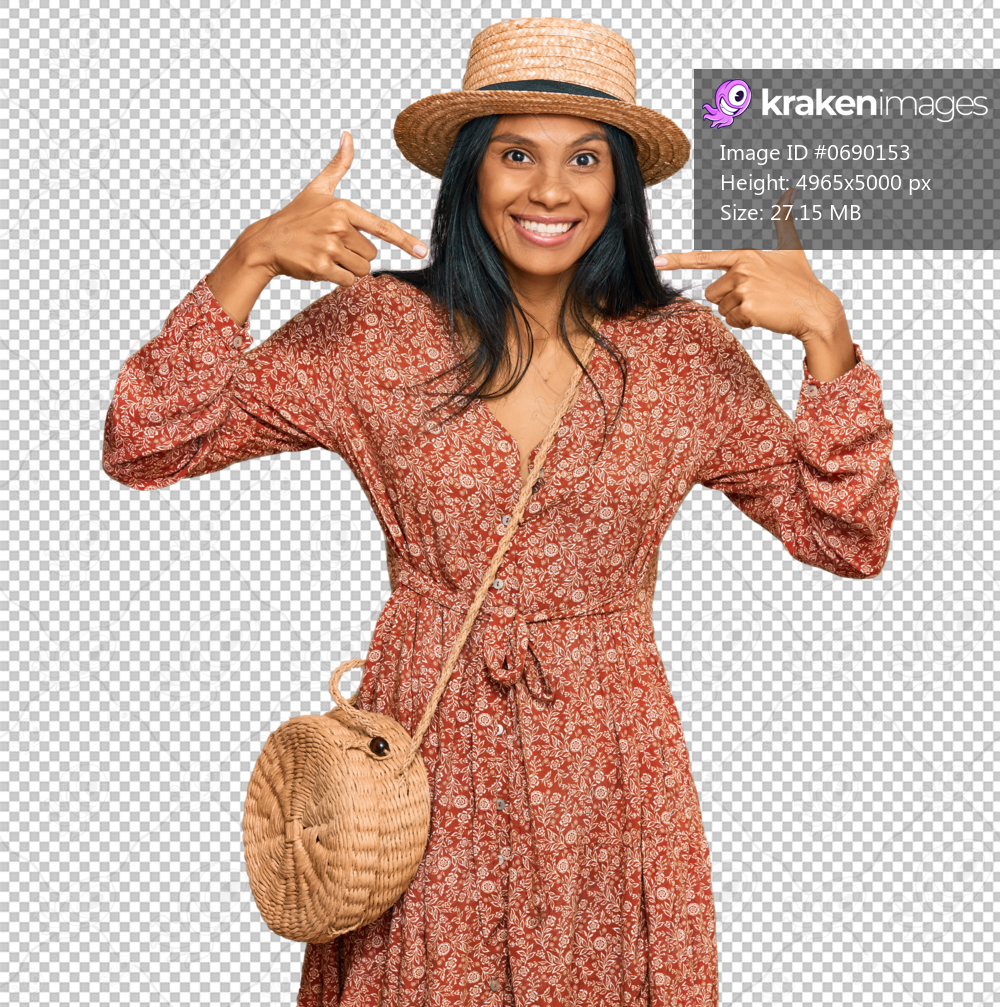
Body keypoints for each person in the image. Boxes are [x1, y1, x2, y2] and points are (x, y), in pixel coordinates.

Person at [102, 17, 899, 1007]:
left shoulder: (680, 355)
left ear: (619, 189)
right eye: (516, 153)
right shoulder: (376, 333)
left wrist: (827, 334)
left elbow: (844, 534)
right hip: (423, 754)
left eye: (585, 159)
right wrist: (248, 262)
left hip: (609, 764)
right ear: (473, 171)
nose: (550, 189)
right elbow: (146, 439)